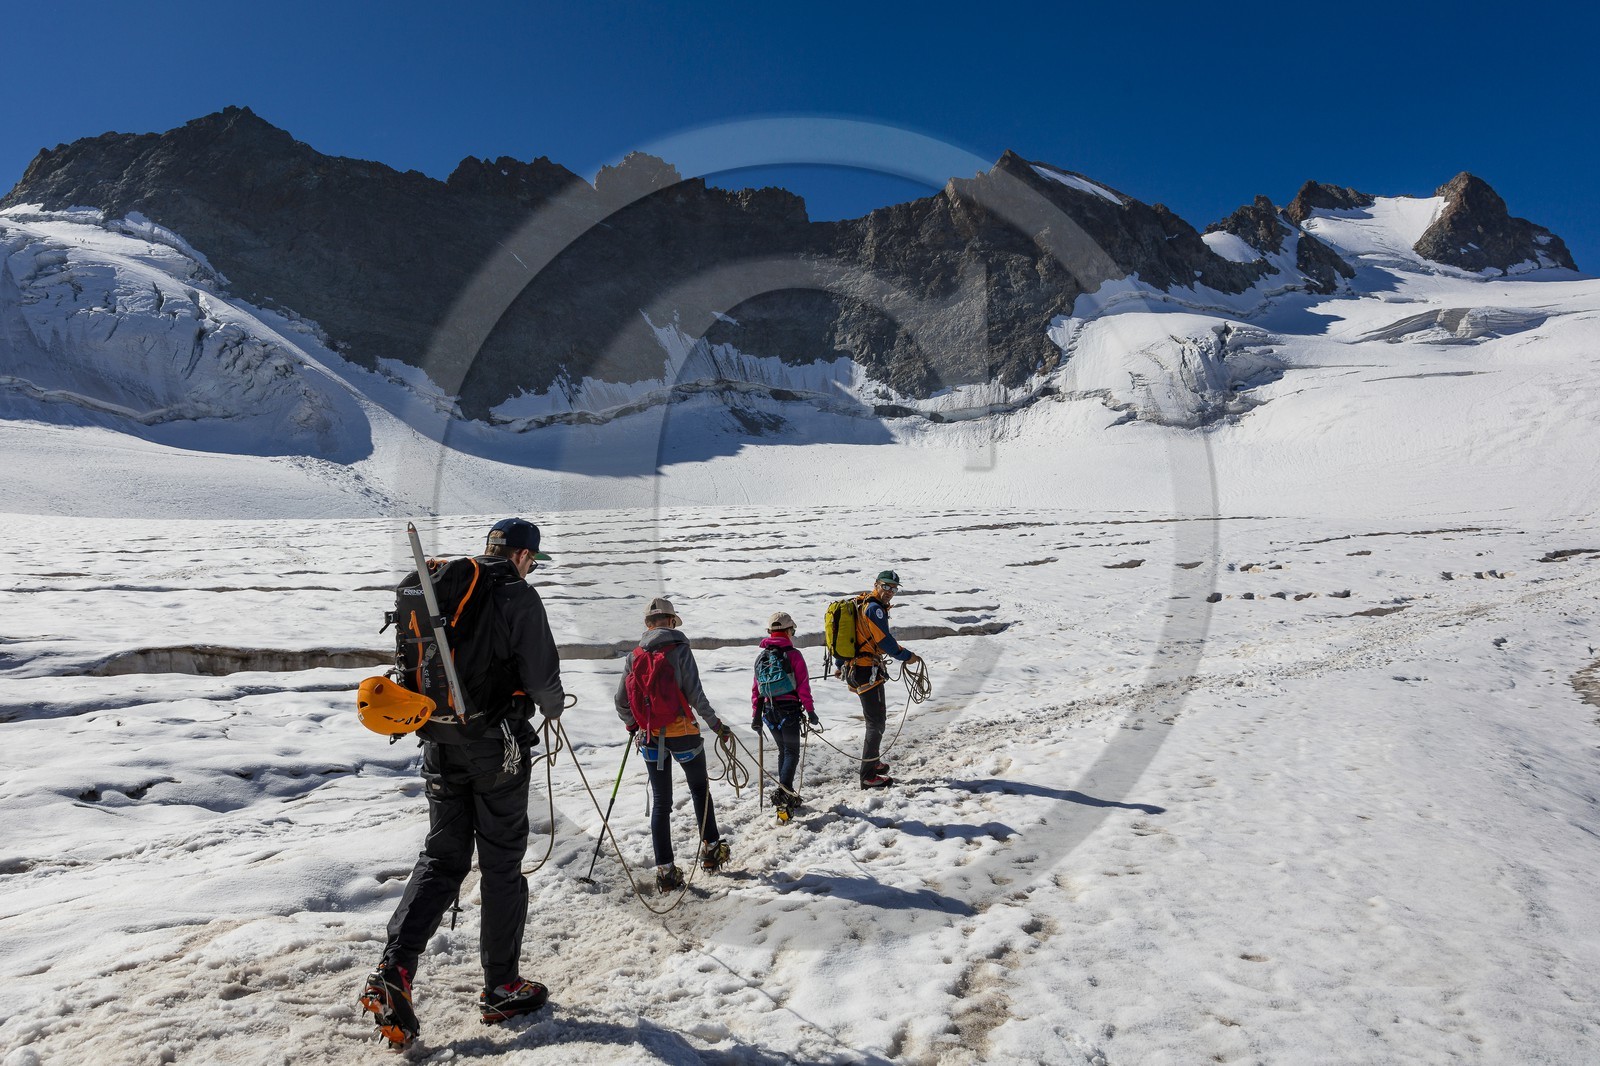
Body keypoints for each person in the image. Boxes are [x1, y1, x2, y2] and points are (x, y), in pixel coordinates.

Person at [360, 518, 565, 1047]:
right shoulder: (515, 592)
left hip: (438, 740)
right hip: (497, 745)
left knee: (442, 858)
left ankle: (395, 969)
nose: (530, 568)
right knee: (500, 862)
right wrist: (552, 706)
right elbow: (542, 676)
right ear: (523, 554)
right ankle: (502, 986)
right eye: (533, 560)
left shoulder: (442, 583)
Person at [614, 596, 732, 892]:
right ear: (670, 621)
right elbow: (695, 695)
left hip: (651, 737)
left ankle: (666, 871)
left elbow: (621, 700)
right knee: (699, 791)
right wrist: (717, 726)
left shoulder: (634, 655)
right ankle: (711, 850)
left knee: (661, 803)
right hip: (684, 735)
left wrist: (634, 725)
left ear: (647, 624)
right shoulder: (680, 649)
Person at [846, 570, 919, 789]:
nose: (889, 592)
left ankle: (874, 762)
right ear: (876, 584)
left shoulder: (862, 604)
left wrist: (841, 665)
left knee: (876, 720)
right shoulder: (875, 609)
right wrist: (907, 656)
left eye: (894, 589)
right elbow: (885, 641)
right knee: (875, 723)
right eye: (885, 587)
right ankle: (868, 776)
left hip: (859, 668)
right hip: (867, 670)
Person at [750, 611, 818, 818]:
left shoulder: (762, 657)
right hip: (789, 710)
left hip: (769, 712)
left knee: (783, 752)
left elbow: (756, 689)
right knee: (792, 753)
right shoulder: (794, 655)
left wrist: (755, 716)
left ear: (770, 632)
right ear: (788, 631)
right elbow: (803, 687)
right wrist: (811, 711)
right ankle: (784, 793)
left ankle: (786, 794)